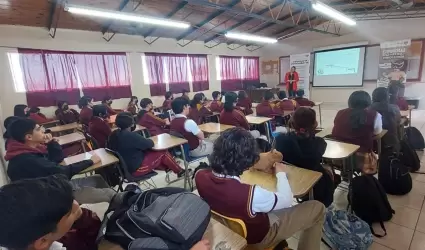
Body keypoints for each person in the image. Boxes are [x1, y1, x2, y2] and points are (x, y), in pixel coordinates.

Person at [195, 128, 326, 249]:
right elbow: (286, 200)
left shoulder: (199, 176)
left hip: (229, 229)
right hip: (257, 239)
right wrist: (281, 174)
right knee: (317, 208)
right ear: (247, 161)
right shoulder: (251, 194)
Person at [4, 118, 115, 204]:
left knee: (98, 178)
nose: (43, 131)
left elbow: (57, 160)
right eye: (38, 129)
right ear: (29, 137)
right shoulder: (26, 159)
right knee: (110, 194)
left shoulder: (31, 149)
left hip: (55, 184)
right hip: (52, 195)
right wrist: (90, 161)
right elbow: (64, 171)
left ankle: (117, 207)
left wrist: (52, 143)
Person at [0, 175, 102, 250]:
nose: (76, 204)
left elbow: (91, 242)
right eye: (69, 213)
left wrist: (81, 216)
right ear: (42, 242)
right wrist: (80, 215)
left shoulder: (42, 238)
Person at [275, 107, 335, 207]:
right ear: (314, 124)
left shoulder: (280, 139)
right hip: (314, 184)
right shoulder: (319, 143)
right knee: (329, 172)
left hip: (289, 181)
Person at [108, 112, 188, 178]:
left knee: (151, 153)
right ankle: (180, 171)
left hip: (124, 169)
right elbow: (150, 143)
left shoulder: (113, 135)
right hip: (136, 170)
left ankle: (169, 167)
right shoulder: (130, 135)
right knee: (163, 153)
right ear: (132, 124)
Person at [332, 91, 383, 174]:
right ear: (368, 101)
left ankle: (346, 175)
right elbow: (378, 131)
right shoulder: (375, 115)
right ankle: (364, 181)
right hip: (363, 158)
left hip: (340, 155)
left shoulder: (340, 112)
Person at [371, 87, 401, 152]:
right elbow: (399, 122)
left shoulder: (368, 109)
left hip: (373, 143)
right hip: (391, 143)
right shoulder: (394, 108)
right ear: (387, 97)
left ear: (373, 97)